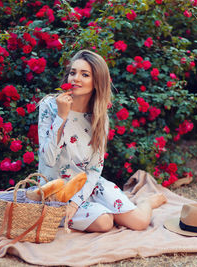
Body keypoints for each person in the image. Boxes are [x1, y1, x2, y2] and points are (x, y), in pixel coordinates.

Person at [37, 49, 167, 233]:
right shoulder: (49, 106)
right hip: (56, 191)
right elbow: (48, 160)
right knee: (104, 222)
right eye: (73, 72)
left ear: (97, 81)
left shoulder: (99, 117)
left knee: (140, 222)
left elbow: (94, 169)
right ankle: (110, 211)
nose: (75, 78)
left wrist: (76, 202)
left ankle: (144, 202)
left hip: (86, 186)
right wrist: (61, 116)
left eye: (85, 74)